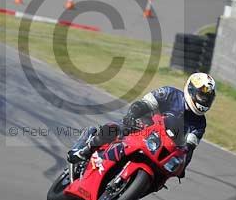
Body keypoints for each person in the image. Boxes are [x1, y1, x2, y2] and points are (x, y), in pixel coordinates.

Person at [67, 73, 217, 177]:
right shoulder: (170, 93)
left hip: (162, 148)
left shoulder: (200, 123)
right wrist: (131, 116)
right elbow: (144, 103)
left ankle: (133, 191)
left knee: (164, 175)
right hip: (143, 127)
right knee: (117, 128)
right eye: (201, 95)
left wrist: (182, 165)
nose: (204, 101)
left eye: (207, 98)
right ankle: (86, 148)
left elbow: (188, 149)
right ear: (191, 90)